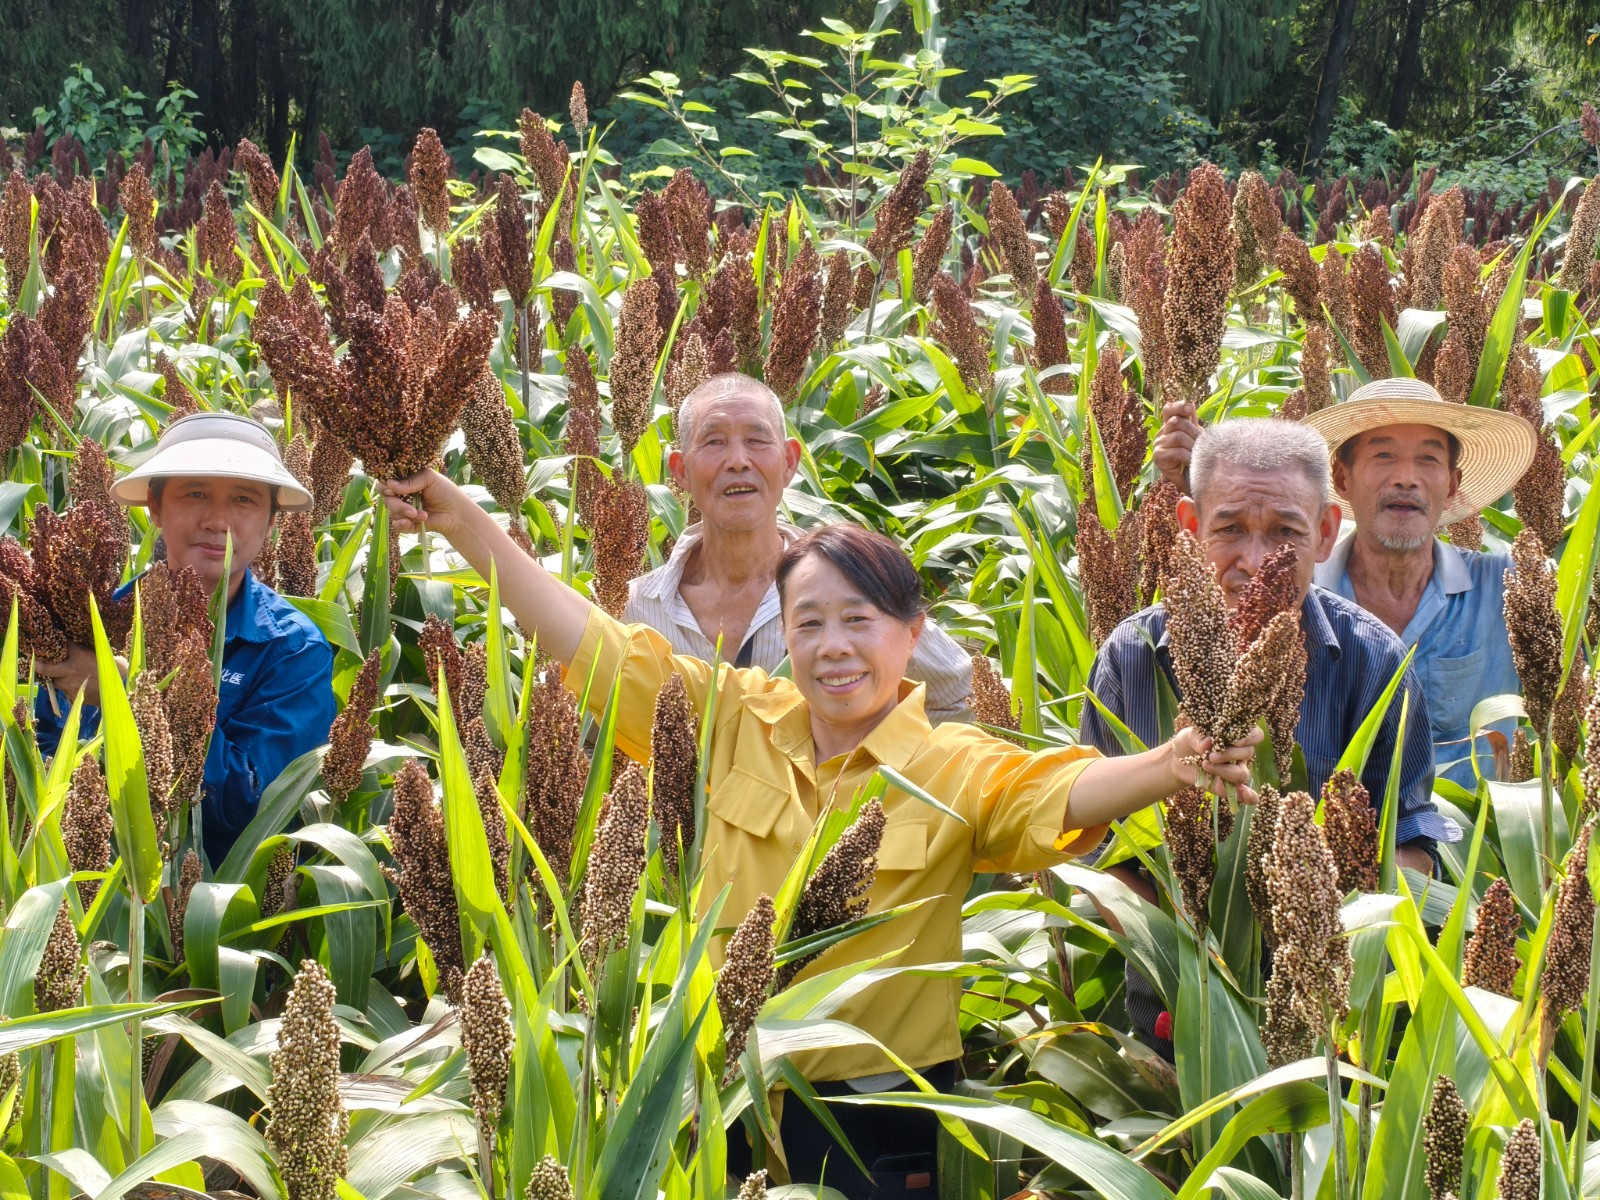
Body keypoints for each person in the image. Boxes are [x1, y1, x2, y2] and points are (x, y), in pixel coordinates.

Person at [378, 468, 1262, 1198]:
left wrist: (1171, 763)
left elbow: (1063, 788)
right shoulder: (732, 718)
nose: (833, 646)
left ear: (912, 634)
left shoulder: (951, 764)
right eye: (807, 623)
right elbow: (592, 642)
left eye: (858, 621)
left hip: (881, 1122)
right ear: (782, 637)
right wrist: (461, 520)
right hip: (718, 1093)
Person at [1084, 418, 1454, 1059]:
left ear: (1327, 533)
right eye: (1230, 529)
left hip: (1331, 1027)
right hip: (1175, 1023)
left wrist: (1312, 906)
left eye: (1285, 532)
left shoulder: (1374, 662)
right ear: (1191, 526)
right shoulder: (1133, 656)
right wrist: (1195, 950)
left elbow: (1414, 845)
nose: (1257, 564)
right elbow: (1103, 858)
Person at [1156, 380, 1537, 786]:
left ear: (1453, 485)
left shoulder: (1509, 589)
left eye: (1428, 459)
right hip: (1317, 835)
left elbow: (1566, 724)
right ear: (1341, 478)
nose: (1405, 478)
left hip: (1473, 840)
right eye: (1383, 456)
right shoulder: (1289, 595)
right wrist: (1200, 482)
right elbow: (1221, 657)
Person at [36, 413, 337, 865]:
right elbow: (40, 756)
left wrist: (128, 696)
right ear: (155, 509)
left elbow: (250, 806)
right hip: (85, 897)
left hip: (210, 912)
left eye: (244, 500)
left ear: (273, 521)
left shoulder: (293, 650)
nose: (218, 520)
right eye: (194, 494)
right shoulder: (97, 620)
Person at [626, 373, 975, 723]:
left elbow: (958, 694)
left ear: (790, 462)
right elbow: (597, 738)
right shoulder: (634, 609)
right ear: (681, 470)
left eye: (757, 439)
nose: (737, 460)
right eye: (714, 442)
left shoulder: (849, 581)